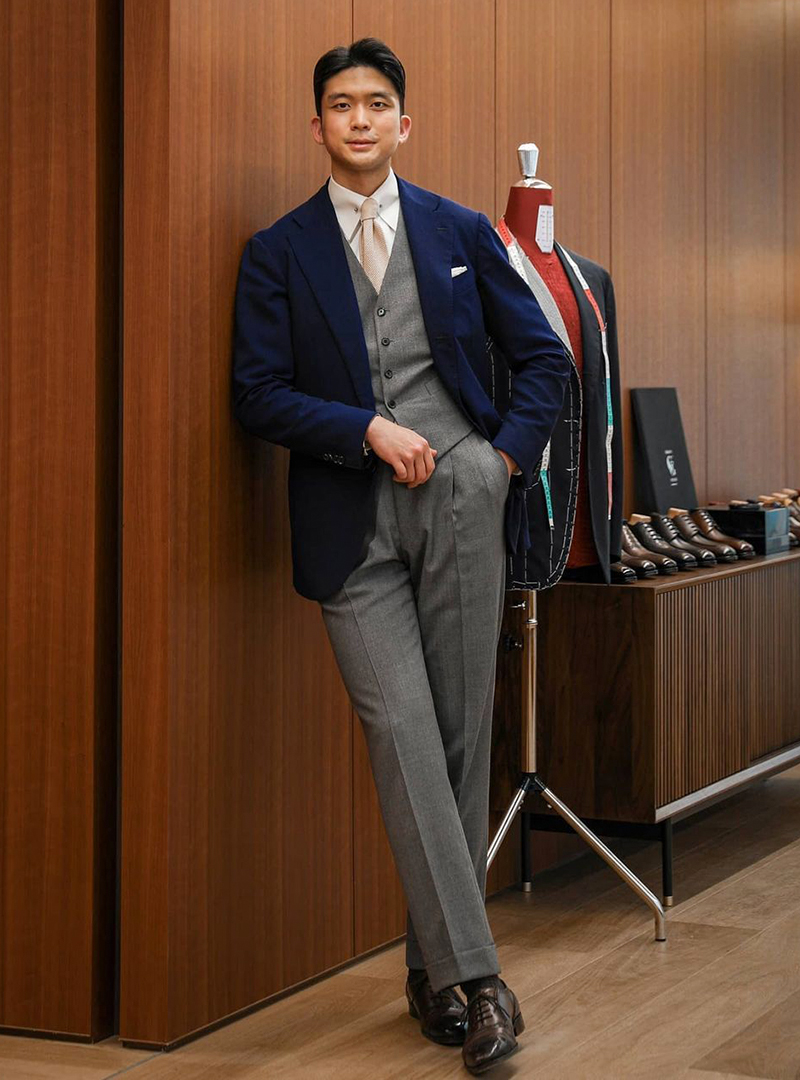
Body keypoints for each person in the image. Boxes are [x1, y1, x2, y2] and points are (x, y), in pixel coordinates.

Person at [232, 37, 569, 1075]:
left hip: (462, 503)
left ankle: (434, 975)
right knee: (401, 731)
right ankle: (478, 981)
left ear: (403, 122)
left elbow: (544, 359)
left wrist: (499, 465)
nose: (361, 120)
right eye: (341, 105)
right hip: (350, 525)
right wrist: (362, 428)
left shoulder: (460, 230)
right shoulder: (277, 250)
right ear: (317, 124)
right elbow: (255, 394)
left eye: (378, 103)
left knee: (463, 739)